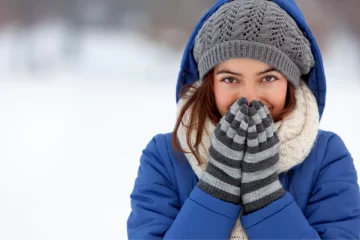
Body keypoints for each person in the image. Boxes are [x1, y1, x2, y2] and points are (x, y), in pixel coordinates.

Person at [127, 0, 360, 239]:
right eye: (230, 79)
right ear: (209, 83)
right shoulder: (166, 157)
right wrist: (217, 190)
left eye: (267, 78)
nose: (249, 97)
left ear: (290, 82)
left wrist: (266, 199)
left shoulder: (326, 157)